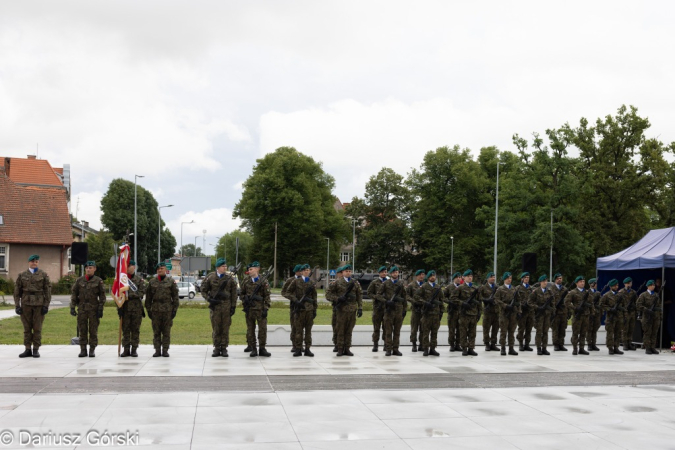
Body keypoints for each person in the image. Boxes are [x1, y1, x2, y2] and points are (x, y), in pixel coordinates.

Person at [13, 254, 51, 358]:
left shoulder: (43, 275)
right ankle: (27, 348)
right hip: (26, 304)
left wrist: (46, 305)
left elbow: (47, 291)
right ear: (28, 262)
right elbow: (17, 292)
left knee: (37, 328)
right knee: (27, 328)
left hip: (39, 304)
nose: (34, 263)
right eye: (32, 261)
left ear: (38, 263)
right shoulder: (22, 275)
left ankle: (36, 349)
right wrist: (17, 305)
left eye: (36, 261)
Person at [201, 258, 238, 357]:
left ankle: (224, 348)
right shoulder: (211, 277)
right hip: (215, 307)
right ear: (218, 267)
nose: (225, 267)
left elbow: (234, 293)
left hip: (226, 306)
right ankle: (217, 348)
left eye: (225, 266)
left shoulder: (230, 278)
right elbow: (203, 290)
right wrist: (209, 299)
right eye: (223, 266)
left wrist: (233, 306)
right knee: (216, 328)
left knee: (225, 328)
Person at [70, 261, 106, 357]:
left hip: (94, 309)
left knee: (93, 330)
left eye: (90, 268)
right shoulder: (79, 280)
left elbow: (102, 296)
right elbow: (74, 294)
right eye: (87, 268)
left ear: (94, 269)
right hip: (82, 309)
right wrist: (72, 307)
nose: (88, 269)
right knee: (82, 329)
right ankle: (83, 349)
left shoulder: (98, 281)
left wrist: (100, 309)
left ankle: (92, 349)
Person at [326, 264, 363, 356]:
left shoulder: (355, 283)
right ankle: (340, 348)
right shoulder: (337, 283)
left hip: (352, 310)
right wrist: (338, 298)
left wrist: (360, 308)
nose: (348, 273)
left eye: (350, 271)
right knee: (340, 329)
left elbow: (359, 296)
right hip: (341, 310)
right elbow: (328, 295)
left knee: (349, 329)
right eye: (346, 271)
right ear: (342, 272)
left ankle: (347, 348)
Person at [145, 262, 179, 357]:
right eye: (158, 269)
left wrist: (174, 310)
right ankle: (157, 350)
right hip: (155, 310)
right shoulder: (152, 282)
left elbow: (175, 297)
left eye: (162, 268)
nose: (160, 270)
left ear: (165, 270)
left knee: (166, 332)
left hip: (167, 310)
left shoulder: (171, 282)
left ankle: (165, 350)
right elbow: (148, 298)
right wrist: (148, 310)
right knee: (156, 332)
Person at [240, 261, 272, 357]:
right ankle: (253, 348)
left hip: (260, 310)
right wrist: (245, 299)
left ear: (257, 269)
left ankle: (262, 349)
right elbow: (241, 294)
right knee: (250, 330)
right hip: (250, 310)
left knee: (262, 330)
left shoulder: (263, 281)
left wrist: (266, 308)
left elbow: (267, 296)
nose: (249, 271)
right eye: (249, 270)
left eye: (251, 269)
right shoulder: (246, 281)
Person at [285, 264, 317, 357]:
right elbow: (287, 292)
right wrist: (295, 300)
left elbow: (314, 297)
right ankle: (298, 348)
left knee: (308, 331)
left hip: (309, 310)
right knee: (298, 330)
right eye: (305, 270)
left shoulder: (312, 282)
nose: (307, 272)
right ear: (301, 272)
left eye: (308, 270)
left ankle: (307, 349)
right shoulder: (296, 281)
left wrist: (315, 309)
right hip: (299, 310)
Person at [118, 260, 146, 357]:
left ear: (134, 267)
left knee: (135, 330)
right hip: (125, 309)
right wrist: (119, 307)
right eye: (127, 265)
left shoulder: (139, 280)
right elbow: (118, 294)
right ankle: (126, 349)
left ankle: (134, 349)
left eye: (129, 265)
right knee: (125, 330)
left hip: (136, 309)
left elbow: (141, 293)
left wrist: (129, 295)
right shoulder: (122, 280)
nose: (128, 267)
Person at [414, 270, 445, 356]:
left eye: (434, 276)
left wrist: (441, 312)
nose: (433, 277)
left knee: (434, 333)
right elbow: (416, 296)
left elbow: (441, 300)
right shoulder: (424, 286)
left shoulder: (438, 287)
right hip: (427, 314)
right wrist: (424, 302)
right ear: (428, 277)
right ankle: (425, 349)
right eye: (431, 276)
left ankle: (433, 348)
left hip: (436, 314)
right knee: (425, 332)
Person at [452, 269, 482, 356]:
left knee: (473, 333)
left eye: (471, 276)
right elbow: (453, 298)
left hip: (473, 313)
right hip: (464, 314)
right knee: (463, 332)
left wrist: (479, 311)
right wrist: (462, 303)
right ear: (464, 278)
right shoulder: (460, 287)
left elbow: (479, 301)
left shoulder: (475, 288)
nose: (470, 278)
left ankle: (471, 348)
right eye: (468, 276)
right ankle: (464, 348)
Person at [380, 265, 407, 356]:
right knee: (388, 331)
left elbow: (404, 297)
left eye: (397, 272)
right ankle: (388, 349)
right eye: (394, 272)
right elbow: (378, 295)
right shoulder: (385, 283)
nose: (396, 274)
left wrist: (405, 309)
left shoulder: (400, 284)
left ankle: (395, 349)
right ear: (391, 274)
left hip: (398, 310)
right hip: (389, 310)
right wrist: (386, 301)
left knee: (397, 331)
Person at [565, 276, 592, 355]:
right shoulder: (573, 292)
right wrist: (575, 308)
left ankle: (582, 348)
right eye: (581, 282)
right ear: (577, 283)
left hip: (585, 315)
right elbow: (566, 302)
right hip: (577, 316)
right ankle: (575, 348)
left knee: (583, 333)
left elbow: (591, 303)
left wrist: (591, 312)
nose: (582, 283)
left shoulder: (587, 292)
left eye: (583, 281)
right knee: (575, 333)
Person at [528, 275, 554, 355]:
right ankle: (539, 348)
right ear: (540, 282)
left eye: (546, 281)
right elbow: (529, 302)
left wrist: (552, 311)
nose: (545, 283)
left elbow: (553, 303)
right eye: (544, 281)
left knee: (545, 332)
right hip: (539, 315)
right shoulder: (536, 291)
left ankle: (544, 348)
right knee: (539, 332)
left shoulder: (549, 292)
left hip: (547, 315)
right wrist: (538, 307)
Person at [495, 271, 519, 356]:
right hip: (504, 314)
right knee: (503, 331)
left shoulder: (514, 289)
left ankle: (511, 348)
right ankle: (503, 348)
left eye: (510, 278)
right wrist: (505, 305)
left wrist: (518, 311)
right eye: (508, 278)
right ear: (505, 279)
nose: (509, 280)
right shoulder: (500, 289)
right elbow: (496, 300)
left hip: (513, 313)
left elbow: (518, 301)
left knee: (511, 331)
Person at [599, 278, 624, 355]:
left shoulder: (620, 295)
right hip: (610, 317)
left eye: (617, 285)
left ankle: (616, 347)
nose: (617, 287)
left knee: (618, 333)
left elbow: (623, 305)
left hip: (618, 317)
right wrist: (609, 309)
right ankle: (610, 348)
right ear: (611, 286)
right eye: (615, 285)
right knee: (610, 333)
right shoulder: (606, 295)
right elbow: (601, 305)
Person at [282, 264, 303, 353]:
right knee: (294, 326)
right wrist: (293, 298)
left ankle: (300, 345)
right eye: (300, 271)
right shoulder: (290, 280)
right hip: (294, 306)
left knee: (301, 327)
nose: (301, 273)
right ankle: (294, 345)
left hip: (303, 306)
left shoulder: (304, 280)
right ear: (296, 271)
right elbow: (284, 292)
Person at [637, 280, 661, 354]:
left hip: (655, 317)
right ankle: (647, 347)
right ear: (648, 286)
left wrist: (660, 315)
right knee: (647, 332)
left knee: (654, 332)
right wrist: (646, 310)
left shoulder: (656, 295)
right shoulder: (643, 295)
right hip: (647, 317)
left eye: (654, 285)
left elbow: (659, 306)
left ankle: (652, 347)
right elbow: (638, 305)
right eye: (651, 285)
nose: (653, 286)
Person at [368, 266, 388, 352]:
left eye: (385, 272)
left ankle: (386, 344)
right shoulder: (374, 282)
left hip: (387, 307)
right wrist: (376, 297)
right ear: (379, 273)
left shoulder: (389, 282)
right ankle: (375, 344)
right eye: (382, 272)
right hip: (377, 308)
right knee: (376, 327)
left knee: (386, 327)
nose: (384, 273)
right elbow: (369, 292)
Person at [406, 269, 426, 352]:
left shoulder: (426, 285)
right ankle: (414, 344)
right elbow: (406, 296)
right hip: (415, 309)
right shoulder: (411, 285)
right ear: (416, 276)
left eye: (423, 274)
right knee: (414, 328)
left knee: (423, 328)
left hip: (424, 309)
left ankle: (421, 344)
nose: (421, 276)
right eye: (420, 275)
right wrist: (413, 301)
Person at [516, 272, 534, 352]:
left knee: (529, 329)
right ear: (522, 279)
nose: (527, 278)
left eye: (528, 277)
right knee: (521, 328)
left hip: (530, 311)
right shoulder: (518, 288)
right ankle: (520, 344)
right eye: (525, 277)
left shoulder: (531, 288)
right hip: (522, 311)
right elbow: (516, 300)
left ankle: (527, 344)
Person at [480, 272, 499, 352]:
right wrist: (486, 300)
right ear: (488, 278)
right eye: (491, 277)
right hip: (487, 311)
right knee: (486, 328)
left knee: (495, 328)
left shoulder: (497, 287)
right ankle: (487, 343)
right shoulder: (483, 287)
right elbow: (479, 296)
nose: (493, 279)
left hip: (496, 311)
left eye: (494, 277)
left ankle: (493, 344)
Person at [550, 273, 569, 351]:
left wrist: (568, 312)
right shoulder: (551, 289)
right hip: (556, 313)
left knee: (562, 329)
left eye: (560, 278)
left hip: (563, 312)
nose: (559, 280)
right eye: (558, 278)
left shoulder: (565, 289)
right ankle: (556, 345)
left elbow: (568, 301)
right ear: (555, 280)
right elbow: (550, 301)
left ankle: (561, 344)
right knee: (555, 329)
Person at [618, 277, 638, 351]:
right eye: (627, 283)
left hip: (632, 313)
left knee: (631, 329)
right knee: (625, 329)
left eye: (630, 283)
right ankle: (625, 344)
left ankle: (630, 343)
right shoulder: (621, 292)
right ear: (624, 284)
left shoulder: (634, 292)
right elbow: (618, 303)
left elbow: (637, 302)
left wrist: (634, 307)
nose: (629, 284)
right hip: (625, 313)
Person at [444, 272, 462, 352]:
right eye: (457, 277)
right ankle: (452, 344)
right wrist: (449, 302)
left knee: (460, 329)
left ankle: (458, 344)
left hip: (461, 311)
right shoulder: (449, 287)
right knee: (452, 329)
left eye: (460, 277)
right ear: (454, 278)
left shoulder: (462, 287)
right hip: (452, 311)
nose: (458, 279)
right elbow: (443, 297)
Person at [586, 278, 603, 351]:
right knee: (589, 329)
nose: (595, 285)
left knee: (595, 329)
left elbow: (600, 303)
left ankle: (594, 344)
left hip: (597, 313)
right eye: (594, 283)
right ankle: (589, 344)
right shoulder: (587, 292)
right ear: (591, 284)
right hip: (590, 313)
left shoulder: (598, 293)